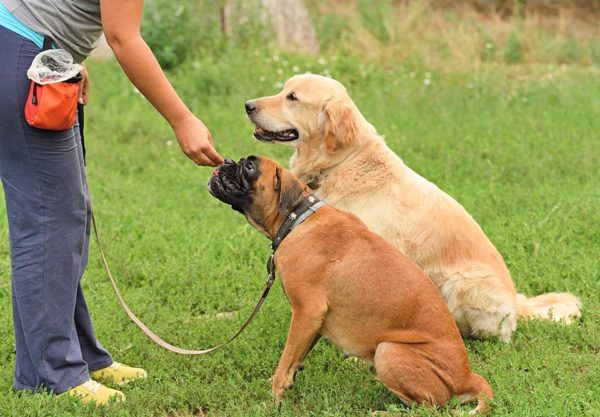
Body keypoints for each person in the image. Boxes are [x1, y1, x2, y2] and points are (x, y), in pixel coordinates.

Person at [0, 0, 224, 405]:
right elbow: (123, 37)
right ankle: (52, 376)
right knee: (50, 221)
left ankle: (79, 355)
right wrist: (182, 119)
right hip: (22, 54)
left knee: (66, 217)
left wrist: (62, 51)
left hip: (35, 52)